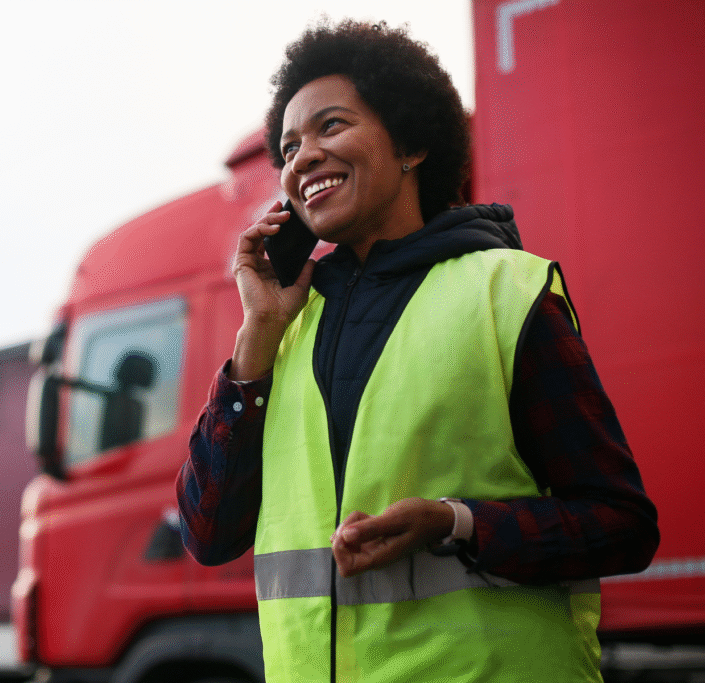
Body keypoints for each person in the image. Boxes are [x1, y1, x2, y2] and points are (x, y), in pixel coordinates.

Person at [176, 19, 658, 683]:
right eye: (288, 148)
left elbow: (621, 525)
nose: (302, 158)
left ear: (411, 143)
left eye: (330, 126)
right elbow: (207, 536)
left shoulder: (505, 292)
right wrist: (257, 331)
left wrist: (456, 523)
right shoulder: (284, 327)